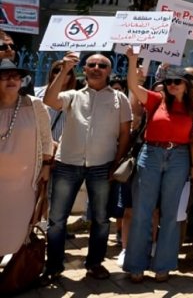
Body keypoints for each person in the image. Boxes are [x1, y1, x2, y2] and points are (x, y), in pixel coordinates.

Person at [42, 53, 132, 284]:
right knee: (57, 220)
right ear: (84, 69)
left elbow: (124, 133)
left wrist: (117, 161)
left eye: (102, 65)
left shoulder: (119, 98)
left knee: (101, 219)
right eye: (91, 64)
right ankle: (53, 266)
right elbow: (49, 101)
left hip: (102, 166)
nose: (96, 68)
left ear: (109, 71)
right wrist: (64, 69)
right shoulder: (73, 95)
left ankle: (94, 263)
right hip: (67, 164)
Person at [123, 47, 193, 283]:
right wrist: (133, 59)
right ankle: (136, 264)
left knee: (170, 214)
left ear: (186, 85)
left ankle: (163, 265)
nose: (172, 85)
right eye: (169, 82)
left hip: (179, 158)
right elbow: (134, 87)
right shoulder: (156, 100)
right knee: (142, 212)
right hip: (152, 153)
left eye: (177, 81)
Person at [0, 60, 53, 258]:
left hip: (24, 183)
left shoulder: (34, 104)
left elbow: (47, 139)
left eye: (15, 76)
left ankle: (13, 275)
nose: (11, 80)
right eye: (5, 76)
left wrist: (47, 165)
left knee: (18, 229)